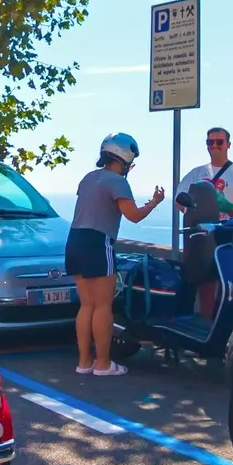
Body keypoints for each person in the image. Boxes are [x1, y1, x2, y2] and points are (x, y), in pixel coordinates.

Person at [68, 133, 165, 377]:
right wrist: (154, 203)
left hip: (75, 241)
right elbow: (133, 215)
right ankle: (102, 364)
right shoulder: (118, 181)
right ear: (123, 158)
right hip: (98, 242)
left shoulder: (88, 178)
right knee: (103, 306)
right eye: (130, 163)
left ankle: (84, 362)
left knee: (86, 305)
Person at [179, 126, 233, 221]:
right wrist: (195, 212)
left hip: (229, 232)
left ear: (228, 144)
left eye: (219, 142)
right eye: (210, 142)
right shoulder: (195, 173)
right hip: (200, 233)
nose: (214, 145)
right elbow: (178, 199)